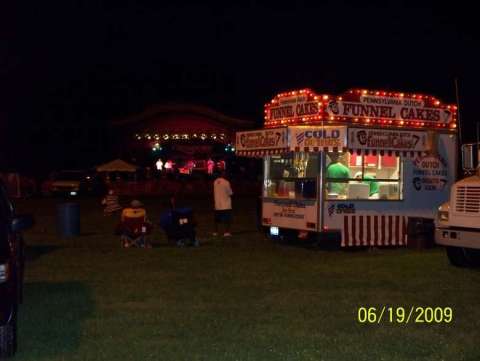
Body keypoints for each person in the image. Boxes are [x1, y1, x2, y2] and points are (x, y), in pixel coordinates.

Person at [213, 171, 233, 237]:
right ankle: (226, 232)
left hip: (217, 204)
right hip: (225, 205)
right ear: (223, 174)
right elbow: (230, 193)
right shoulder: (226, 182)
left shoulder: (215, 182)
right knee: (227, 219)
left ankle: (215, 232)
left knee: (216, 219)